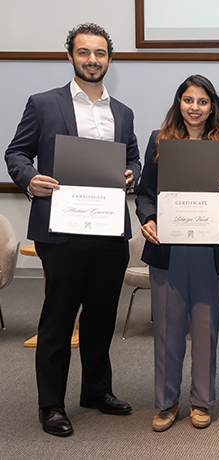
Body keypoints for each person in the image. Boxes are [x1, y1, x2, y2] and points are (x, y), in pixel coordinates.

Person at [4, 23, 140, 437]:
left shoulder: (123, 112)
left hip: (108, 230)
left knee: (101, 317)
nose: (92, 60)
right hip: (61, 231)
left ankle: (97, 391)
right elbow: (16, 152)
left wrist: (134, 171)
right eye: (84, 53)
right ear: (71, 57)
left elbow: (133, 157)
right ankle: (51, 405)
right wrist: (29, 179)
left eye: (100, 53)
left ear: (109, 60)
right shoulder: (44, 104)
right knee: (58, 319)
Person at [135, 75, 219, 432]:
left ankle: (201, 401)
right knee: (167, 329)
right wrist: (147, 218)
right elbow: (145, 192)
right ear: (178, 102)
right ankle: (166, 403)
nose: (194, 107)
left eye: (202, 101)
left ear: (212, 106)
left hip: (207, 249)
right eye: (188, 100)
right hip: (167, 247)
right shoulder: (159, 141)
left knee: (205, 328)